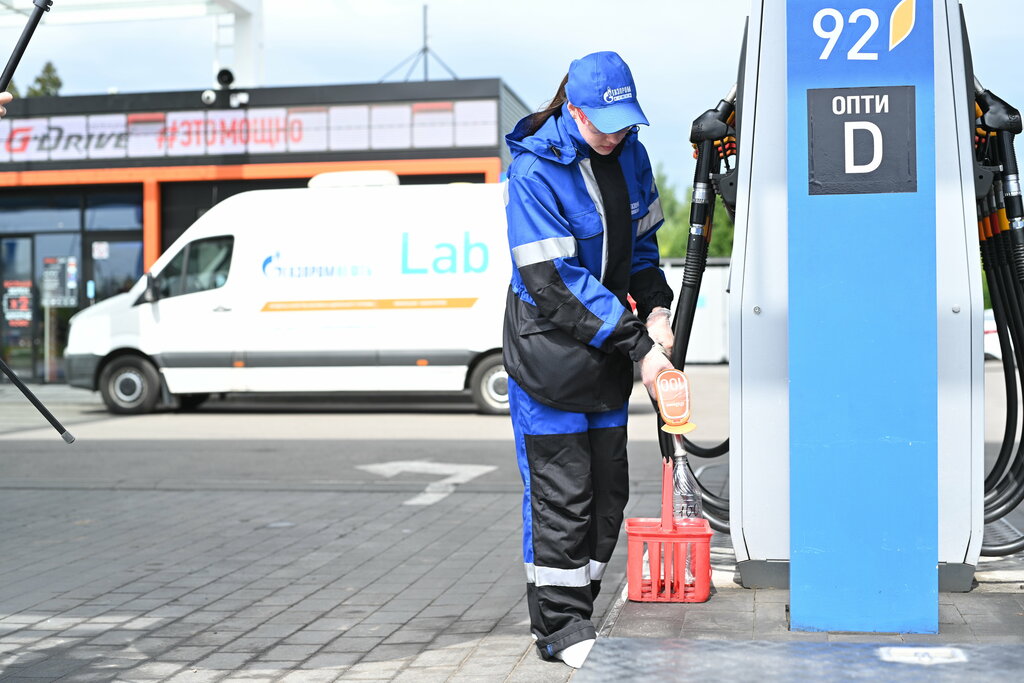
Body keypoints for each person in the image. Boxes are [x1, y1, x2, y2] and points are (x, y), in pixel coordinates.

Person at [502, 51, 675, 668]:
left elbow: (646, 247)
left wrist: (657, 309)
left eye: (627, 121)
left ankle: (584, 606)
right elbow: (551, 279)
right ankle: (557, 627)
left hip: (607, 352)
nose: (618, 132)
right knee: (562, 495)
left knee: (608, 495)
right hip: (550, 359)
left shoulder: (630, 154)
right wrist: (640, 348)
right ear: (573, 109)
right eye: (606, 121)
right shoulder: (533, 173)